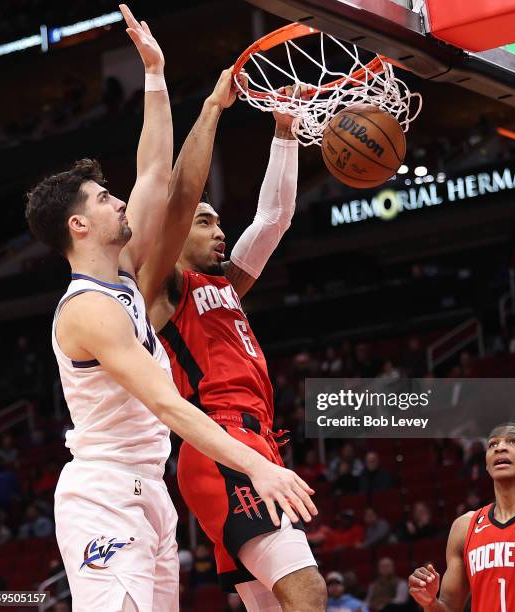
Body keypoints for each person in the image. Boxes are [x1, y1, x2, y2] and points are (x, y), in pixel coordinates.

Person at [24, 7, 314, 611]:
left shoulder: (126, 282)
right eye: (106, 199)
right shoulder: (88, 310)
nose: (121, 201)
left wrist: (156, 73)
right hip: (105, 491)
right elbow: (163, 400)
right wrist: (257, 468)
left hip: (152, 491)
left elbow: (160, 172)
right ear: (80, 225)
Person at [138, 79, 325, 610]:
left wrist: (285, 133)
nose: (219, 230)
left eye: (218, 220)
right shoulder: (163, 286)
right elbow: (176, 200)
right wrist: (212, 109)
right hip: (222, 445)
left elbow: (273, 219)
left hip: (253, 444)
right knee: (307, 591)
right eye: (205, 223)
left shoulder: (226, 286)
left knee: (273, 603)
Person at [408, 422, 515, 611]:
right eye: (492, 445)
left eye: (513, 441)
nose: (500, 447)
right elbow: (450, 607)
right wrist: (429, 602)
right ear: (486, 464)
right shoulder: (464, 527)